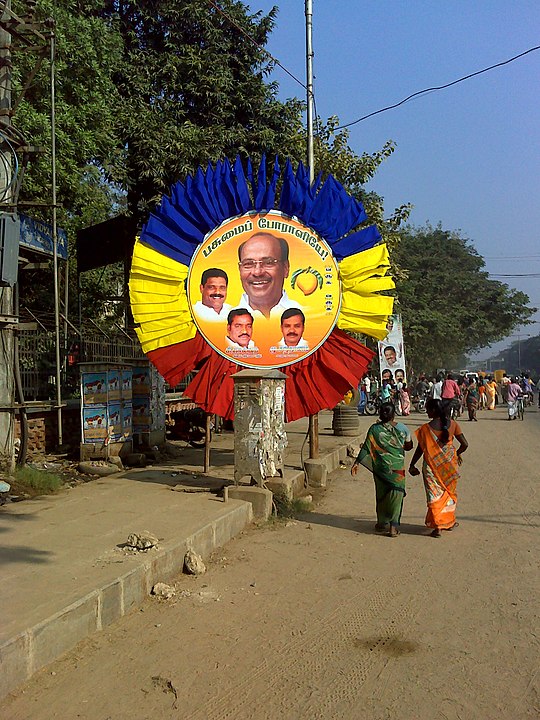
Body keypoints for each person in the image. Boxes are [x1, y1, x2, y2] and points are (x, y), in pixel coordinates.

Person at [351, 401, 413, 537]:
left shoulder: (374, 429)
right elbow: (409, 446)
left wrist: (357, 462)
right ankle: (394, 526)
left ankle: (381, 523)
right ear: (393, 414)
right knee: (397, 495)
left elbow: (366, 447)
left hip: (380, 469)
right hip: (397, 469)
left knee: (382, 494)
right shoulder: (403, 429)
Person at [409, 398, 468, 538]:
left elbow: (420, 449)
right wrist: (456, 454)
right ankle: (447, 521)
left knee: (434, 495)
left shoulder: (425, 429)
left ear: (434, 411)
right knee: (448, 494)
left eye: (428, 409)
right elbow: (465, 444)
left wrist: (412, 464)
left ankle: (438, 527)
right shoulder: (453, 424)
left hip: (431, 468)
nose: (427, 412)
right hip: (450, 466)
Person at [236, 233, 301, 318]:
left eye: (268, 263)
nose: (257, 272)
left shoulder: (310, 317)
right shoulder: (221, 320)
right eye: (248, 264)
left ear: (285, 268)